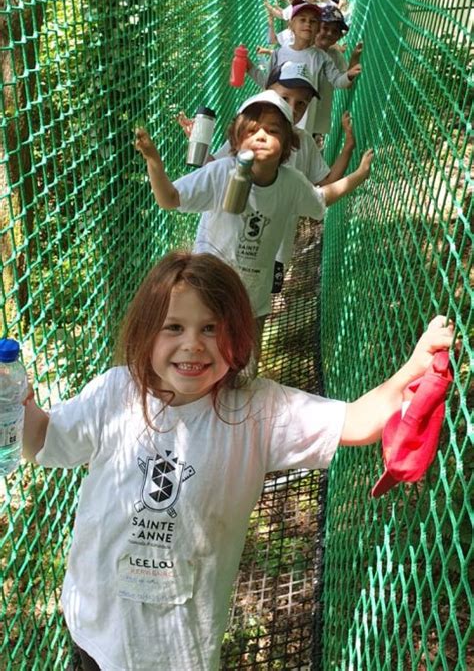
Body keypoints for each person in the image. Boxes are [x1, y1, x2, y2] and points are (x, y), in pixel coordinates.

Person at [22, 251, 455, 671]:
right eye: (173, 327)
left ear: (237, 337)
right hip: (98, 629)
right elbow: (42, 440)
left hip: (181, 650)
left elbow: (357, 420)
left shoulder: (256, 411)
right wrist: (15, 405)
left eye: (210, 328)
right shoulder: (115, 394)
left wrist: (415, 368)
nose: (192, 344)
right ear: (145, 333)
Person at [134, 90, 372, 340]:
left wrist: (359, 175)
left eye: (273, 131)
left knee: (247, 361)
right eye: (251, 131)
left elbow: (321, 198)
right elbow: (170, 199)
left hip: (254, 296)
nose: (261, 136)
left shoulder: (291, 183)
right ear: (236, 142)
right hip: (208, 288)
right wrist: (153, 162)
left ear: (288, 144)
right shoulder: (220, 173)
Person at [178, 62, 358, 290]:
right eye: (285, 97)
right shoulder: (251, 134)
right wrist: (197, 141)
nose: (292, 108)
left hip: (274, 248)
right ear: (268, 92)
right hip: (228, 245)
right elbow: (217, 167)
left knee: (258, 297)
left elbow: (325, 184)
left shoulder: (303, 142)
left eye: (301, 103)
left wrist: (348, 148)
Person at [247, 2, 362, 136]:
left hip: (305, 123)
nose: (308, 24)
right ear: (291, 26)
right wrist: (249, 68)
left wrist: (349, 74)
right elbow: (267, 82)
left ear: (317, 28)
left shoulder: (322, 57)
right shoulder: (279, 53)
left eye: (313, 21)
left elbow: (337, 80)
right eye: (303, 20)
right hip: (277, 117)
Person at [311, 5, 364, 143]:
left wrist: (354, 59)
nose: (329, 33)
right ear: (316, 27)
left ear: (339, 36)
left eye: (334, 31)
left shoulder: (334, 55)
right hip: (296, 116)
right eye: (325, 28)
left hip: (316, 121)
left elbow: (345, 82)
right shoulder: (304, 49)